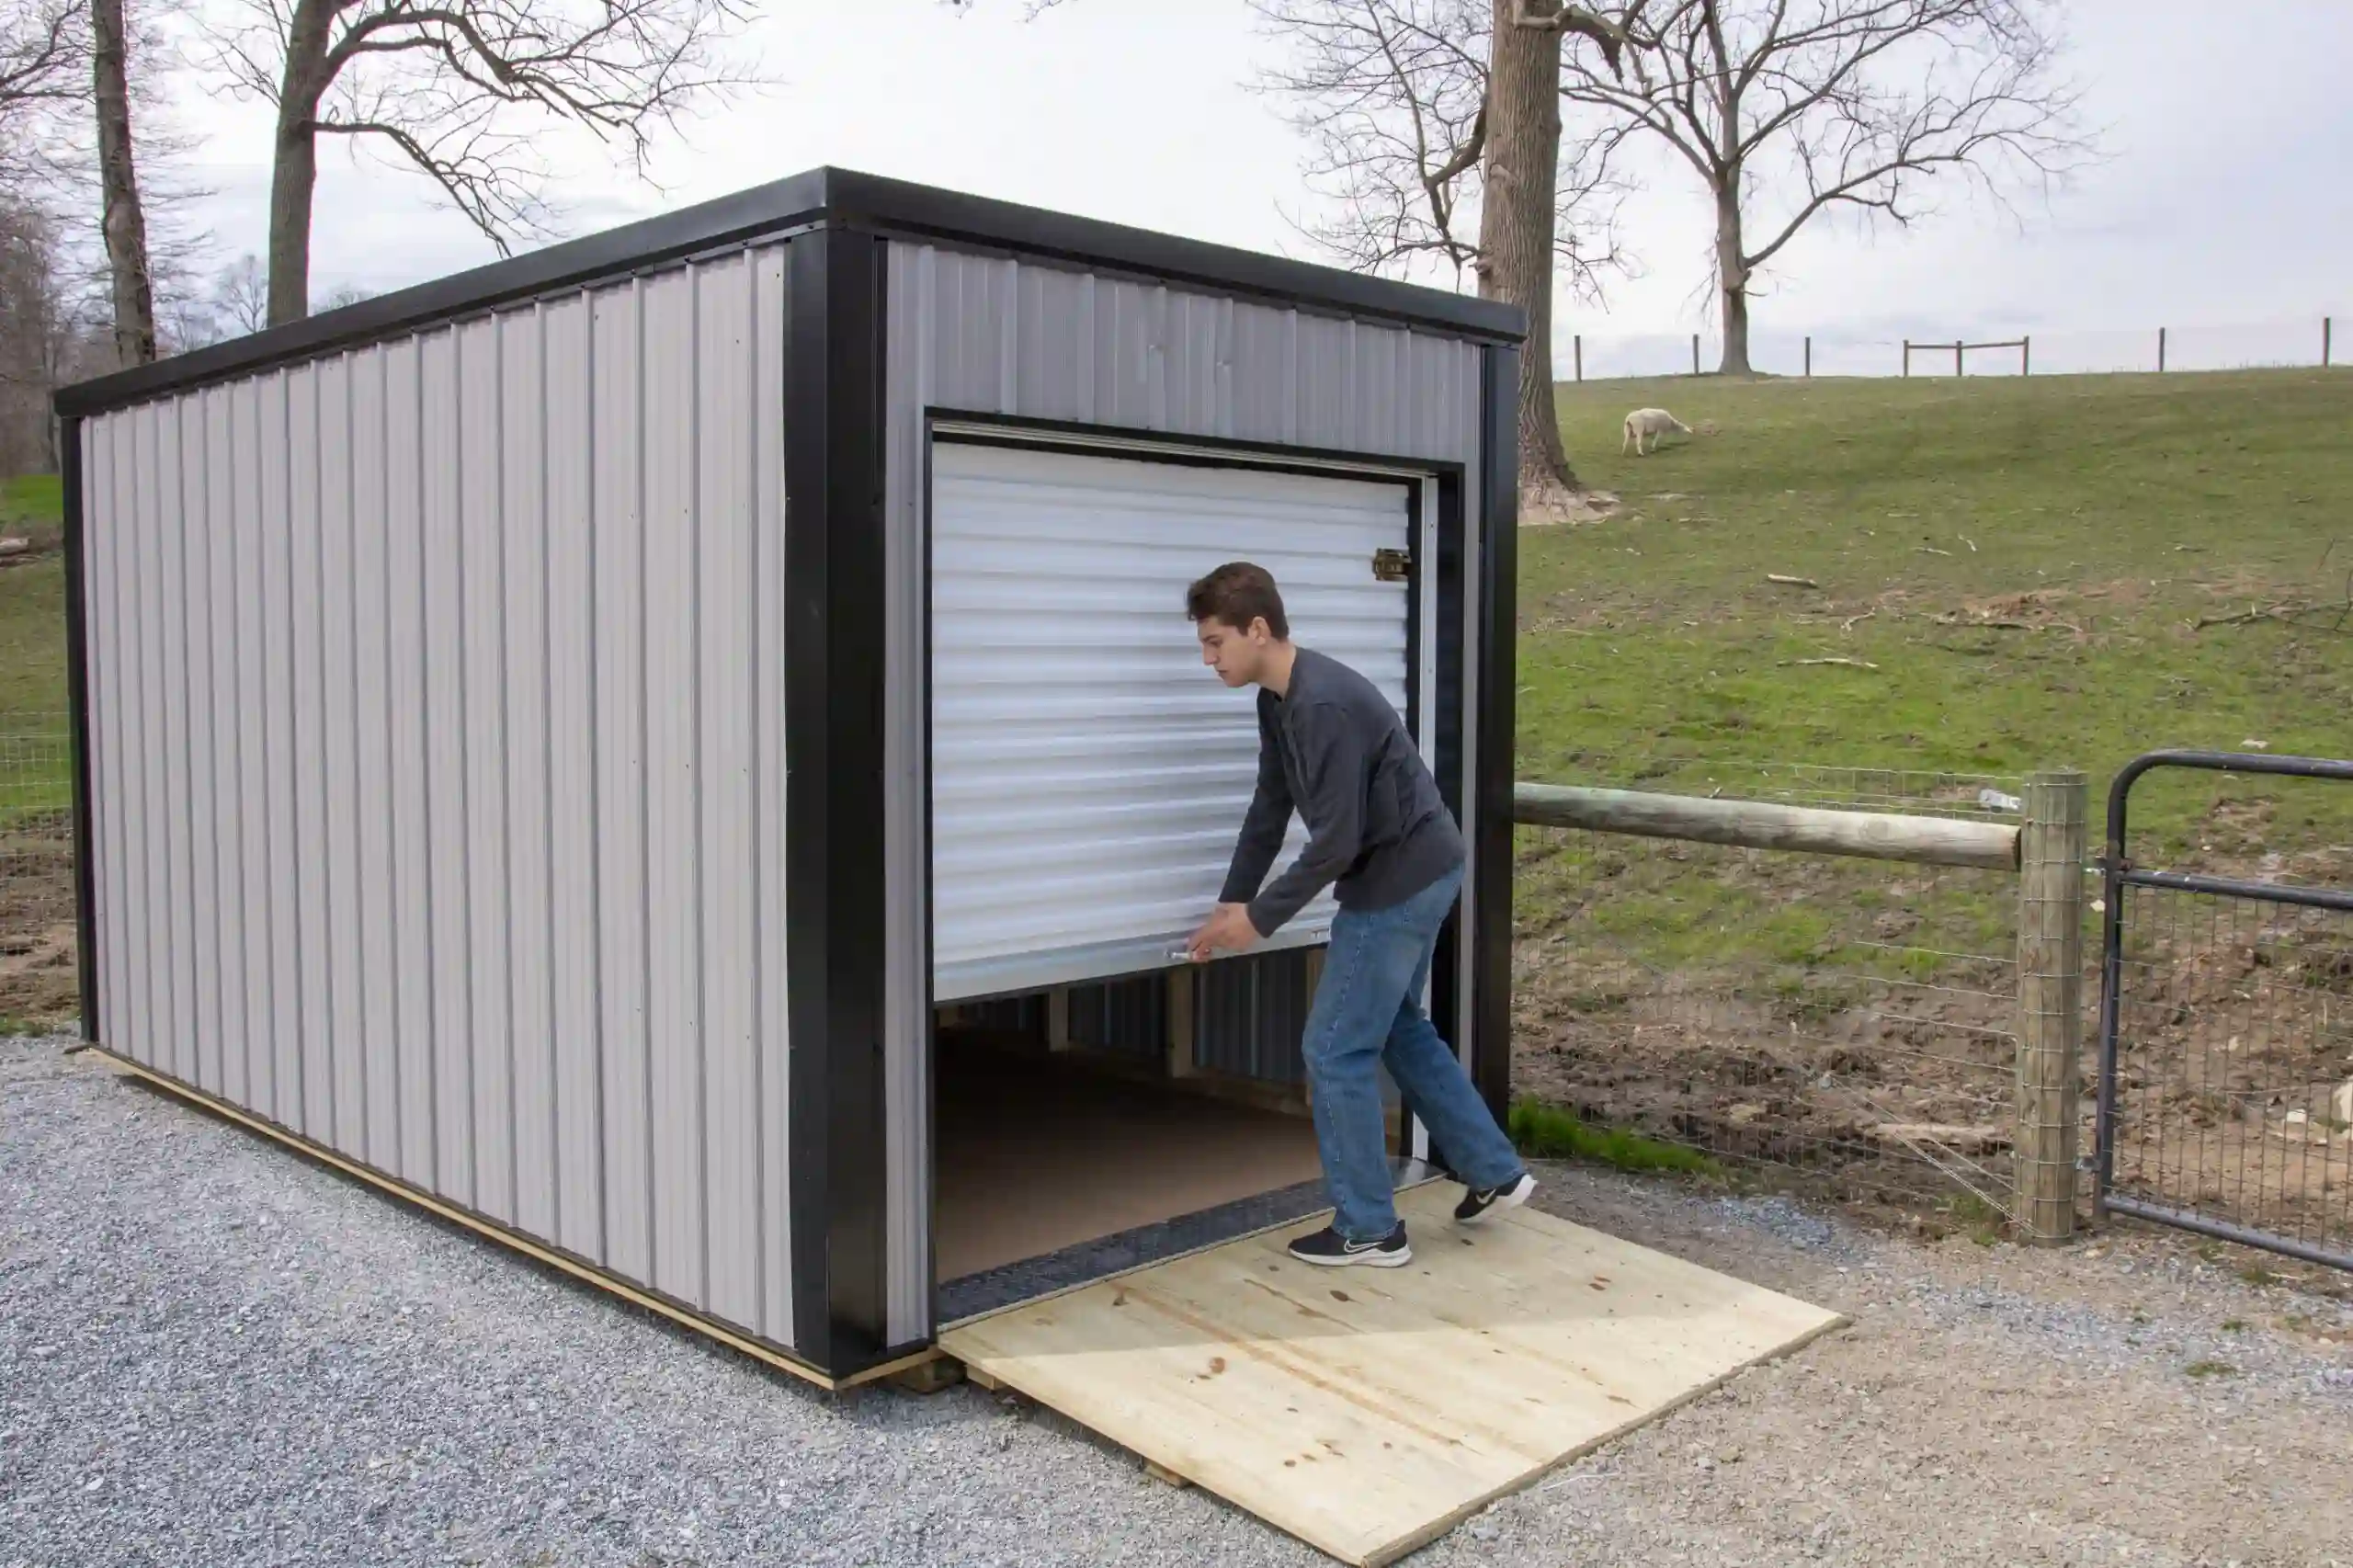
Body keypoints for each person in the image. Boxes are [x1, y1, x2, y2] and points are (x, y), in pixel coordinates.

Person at [1182, 561, 1534, 1267]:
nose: (1208, 658)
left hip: (1399, 882)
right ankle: (1495, 1170)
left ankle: (1371, 1229)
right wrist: (1235, 896)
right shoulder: (1279, 701)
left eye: (1216, 642)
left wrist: (1259, 922)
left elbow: (1336, 842)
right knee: (1397, 1026)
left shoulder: (1322, 706)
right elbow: (1270, 804)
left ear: (1258, 629)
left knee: (1334, 1047)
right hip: (1419, 867)